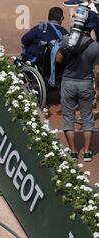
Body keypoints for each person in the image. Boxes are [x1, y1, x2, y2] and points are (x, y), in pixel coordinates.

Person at [56, 10, 99, 161]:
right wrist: (97, 88)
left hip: (68, 83)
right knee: (87, 118)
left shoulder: (67, 39)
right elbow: (97, 70)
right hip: (86, 84)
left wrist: (65, 46)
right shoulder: (95, 46)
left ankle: (73, 152)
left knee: (68, 117)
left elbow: (58, 60)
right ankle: (87, 152)